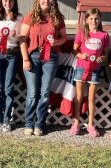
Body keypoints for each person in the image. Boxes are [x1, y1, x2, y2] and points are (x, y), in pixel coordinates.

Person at [19, 0, 66, 136]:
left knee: (45, 92)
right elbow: (22, 39)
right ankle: (29, 123)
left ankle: (39, 124)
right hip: (32, 56)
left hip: (50, 57)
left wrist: (57, 41)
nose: (46, 1)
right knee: (33, 92)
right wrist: (25, 59)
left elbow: (64, 37)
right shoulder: (30, 16)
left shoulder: (57, 18)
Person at [70, 8, 109, 138]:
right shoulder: (81, 33)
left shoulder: (104, 35)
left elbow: (105, 53)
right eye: (91, 19)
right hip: (81, 68)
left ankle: (91, 124)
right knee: (79, 97)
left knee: (91, 98)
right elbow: (74, 51)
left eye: (96, 18)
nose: (94, 21)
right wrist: (81, 55)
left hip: (95, 70)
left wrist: (102, 58)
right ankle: (75, 123)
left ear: (100, 20)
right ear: (86, 20)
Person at [0, 0, 23, 133]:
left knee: (8, 88)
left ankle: (6, 120)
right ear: (1, 2)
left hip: (12, 54)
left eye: (10, 1)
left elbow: (21, 37)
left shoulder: (19, 17)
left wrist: (16, 35)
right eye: (5, 0)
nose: (7, 3)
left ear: (14, 3)